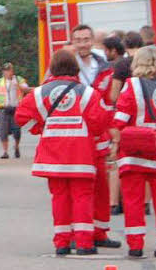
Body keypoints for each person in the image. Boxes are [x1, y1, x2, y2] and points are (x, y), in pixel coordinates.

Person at [15, 49, 111, 255]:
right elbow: (100, 122)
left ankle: (62, 242)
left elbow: (21, 117)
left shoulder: (40, 92)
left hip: (52, 155)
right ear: (75, 68)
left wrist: (40, 128)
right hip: (81, 155)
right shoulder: (87, 93)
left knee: (59, 197)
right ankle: (84, 243)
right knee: (82, 197)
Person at [113, 47, 156, 258]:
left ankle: (135, 245)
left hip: (136, 151)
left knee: (133, 200)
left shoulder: (133, 85)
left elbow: (120, 119)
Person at [71, 23, 121, 249]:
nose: (82, 44)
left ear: (92, 41)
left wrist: (112, 129)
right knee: (78, 186)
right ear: (73, 42)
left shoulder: (104, 66)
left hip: (100, 132)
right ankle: (78, 232)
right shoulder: (66, 65)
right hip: (75, 133)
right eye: (78, 40)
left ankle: (100, 232)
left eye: (85, 39)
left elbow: (110, 101)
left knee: (101, 184)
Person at [0, 63, 29, 159]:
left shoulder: (18, 79)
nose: (7, 72)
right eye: (5, 70)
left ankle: (16, 146)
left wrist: (17, 84)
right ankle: (5, 152)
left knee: (17, 131)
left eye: (9, 70)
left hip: (16, 108)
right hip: (3, 109)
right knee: (3, 131)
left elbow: (25, 88)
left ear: (12, 71)